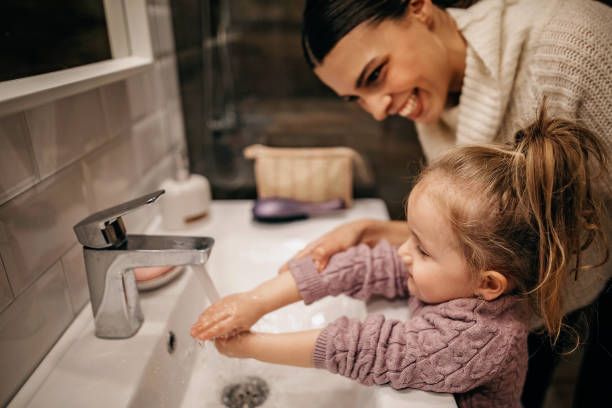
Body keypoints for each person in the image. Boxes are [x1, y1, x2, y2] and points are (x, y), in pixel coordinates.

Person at [293, 1, 612, 404]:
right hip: (524, 297)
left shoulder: (577, 47)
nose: (377, 110)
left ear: (419, 8)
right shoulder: (435, 98)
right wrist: (374, 232)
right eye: (355, 98)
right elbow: (469, 233)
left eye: (375, 75)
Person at [191, 105, 609, 407]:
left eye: (423, 249)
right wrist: (257, 301)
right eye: (409, 237)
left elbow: (370, 349)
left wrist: (253, 347)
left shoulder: (482, 339)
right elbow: (365, 266)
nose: (403, 253)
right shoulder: (454, 278)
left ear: (489, 284)